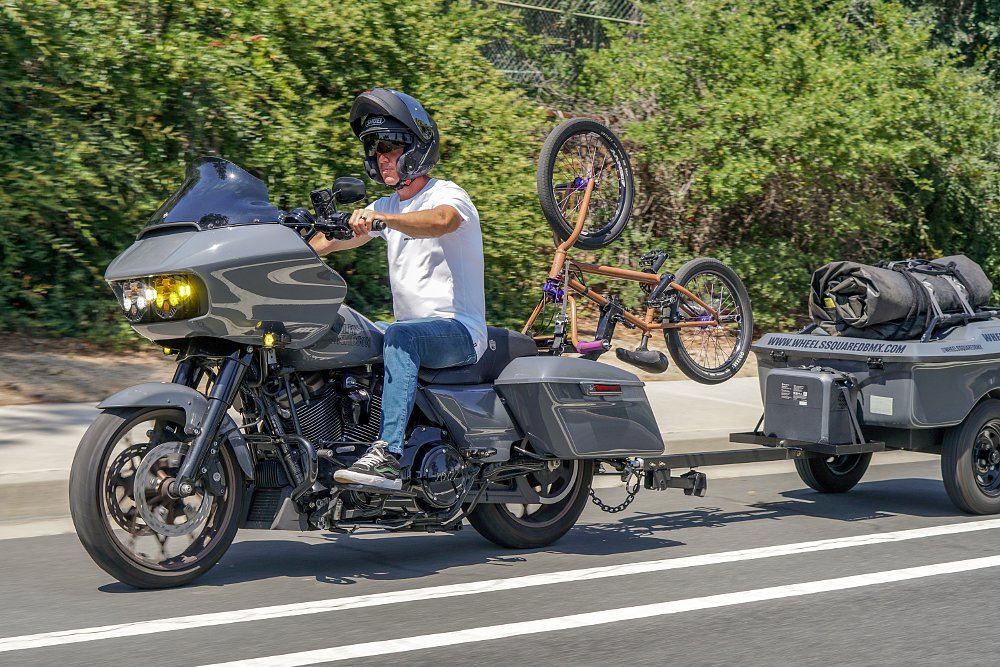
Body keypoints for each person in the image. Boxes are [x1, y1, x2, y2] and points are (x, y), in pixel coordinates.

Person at [310, 88, 487, 491]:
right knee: (339, 332)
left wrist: (382, 218)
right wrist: (284, 248)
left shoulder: (446, 194)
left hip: (457, 330)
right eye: (374, 148)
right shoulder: (388, 205)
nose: (380, 156)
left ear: (416, 148)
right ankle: (335, 445)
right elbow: (332, 242)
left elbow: (442, 221)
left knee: (400, 336)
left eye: (388, 146)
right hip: (410, 331)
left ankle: (387, 455)